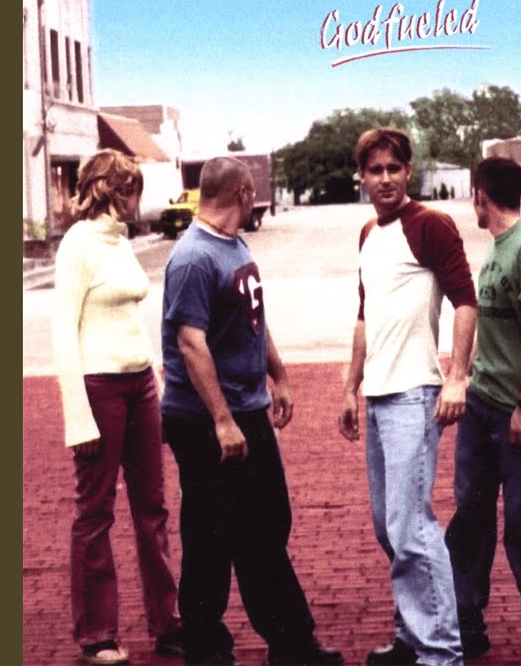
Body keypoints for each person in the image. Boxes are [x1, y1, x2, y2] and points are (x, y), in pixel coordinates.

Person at [161, 157, 342, 666]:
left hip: (246, 409)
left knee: (265, 525)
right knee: (214, 535)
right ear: (242, 192)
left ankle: (286, 643)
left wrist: (277, 376)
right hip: (206, 421)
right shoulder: (193, 258)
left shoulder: (234, 245)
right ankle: (212, 647)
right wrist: (222, 421)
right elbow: (191, 344)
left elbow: (252, 321)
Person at [338, 127, 476, 666]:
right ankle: (413, 637)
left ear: (409, 170)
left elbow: (466, 302)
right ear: (362, 177)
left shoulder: (431, 225)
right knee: (388, 526)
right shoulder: (368, 233)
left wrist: (457, 377)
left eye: (394, 168)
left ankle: (441, 652)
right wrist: (350, 387)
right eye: (375, 170)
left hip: (414, 395)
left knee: (411, 526)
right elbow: (364, 315)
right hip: (377, 395)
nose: (386, 179)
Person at [52, 149, 183, 666]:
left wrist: (157, 386)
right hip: (99, 387)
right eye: (130, 189)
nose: (136, 199)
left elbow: (130, 321)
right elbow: (64, 332)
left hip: (139, 384)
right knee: (96, 511)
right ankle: (97, 636)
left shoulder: (121, 242)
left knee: (153, 508)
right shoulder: (78, 245)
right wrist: (77, 418)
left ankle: (168, 623)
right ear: (108, 189)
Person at [444, 157, 521, 661]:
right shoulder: (496, 249)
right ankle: (468, 620)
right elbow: (491, 330)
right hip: (480, 408)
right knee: (470, 518)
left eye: (472, 196)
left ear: (481, 196)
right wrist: (461, 377)